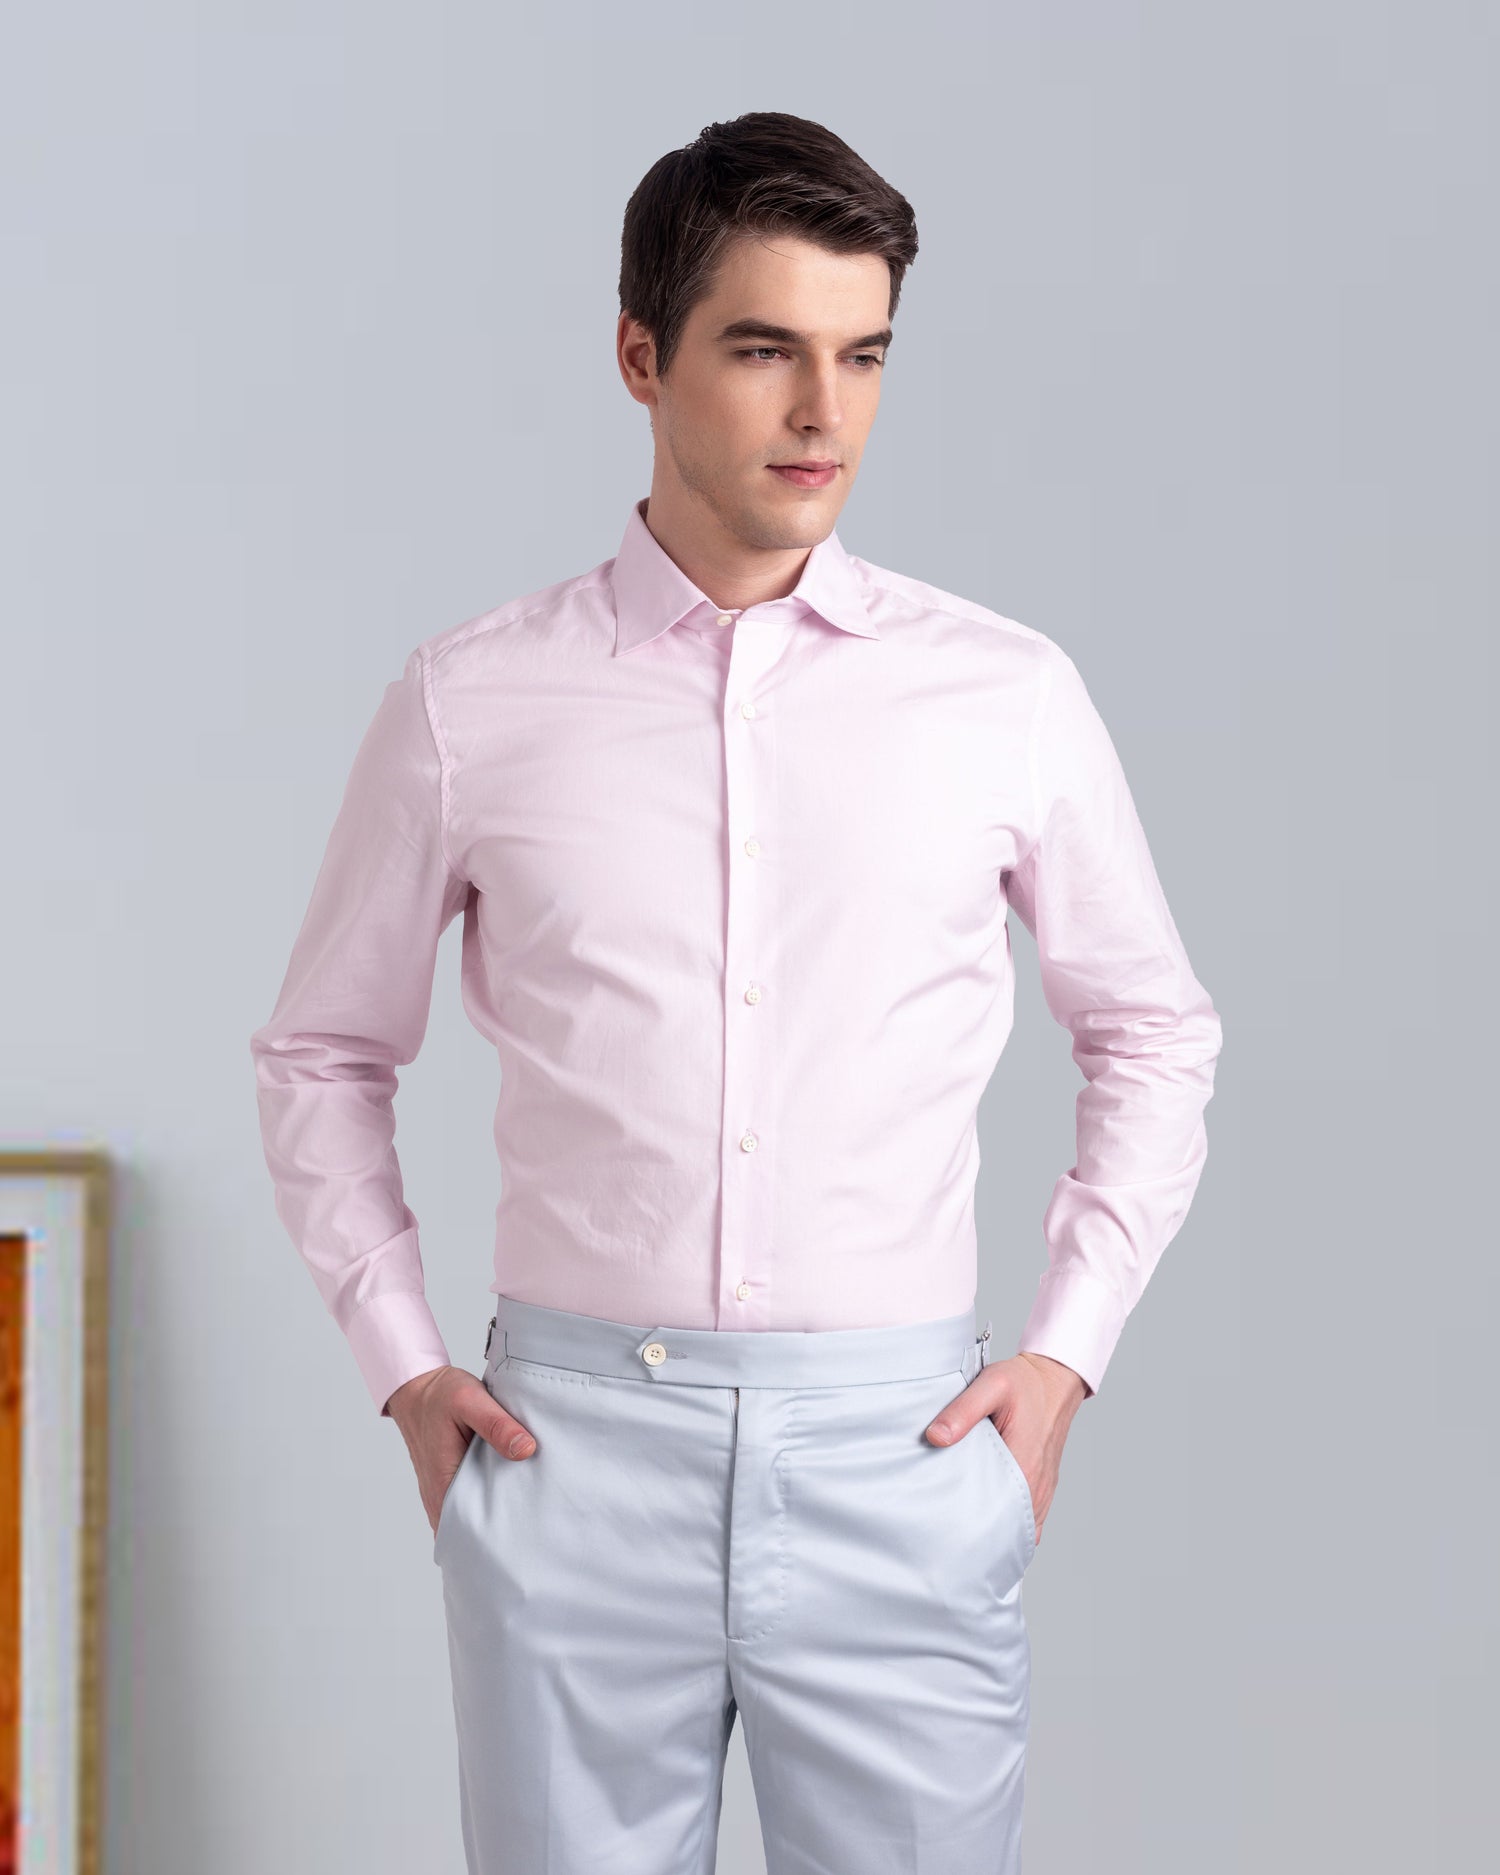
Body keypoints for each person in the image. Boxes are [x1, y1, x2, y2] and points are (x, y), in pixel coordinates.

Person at [248, 110, 1222, 1875]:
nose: (823, 413)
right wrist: (403, 1371)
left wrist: (1066, 1360)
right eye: (766, 349)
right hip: (570, 1461)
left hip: (902, 1456)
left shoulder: (1002, 696)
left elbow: (1154, 1031)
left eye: (865, 356)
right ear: (642, 356)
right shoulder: (473, 701)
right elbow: (322, 1053)